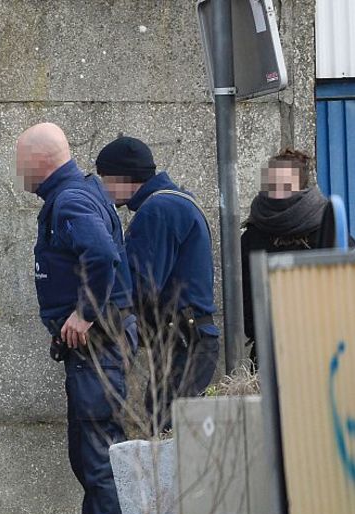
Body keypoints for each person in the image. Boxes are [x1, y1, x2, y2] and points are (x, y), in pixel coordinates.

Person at [16, 122, 136, 514]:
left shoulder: (71, 201)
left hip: (99, 350)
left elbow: (102, 255)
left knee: (100, 459)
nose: (19, 170)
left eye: (22, 160)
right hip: (96, 352)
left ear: (41, 160)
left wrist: (85, 314)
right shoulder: (77, 195)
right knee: (92, 459)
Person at [95, 136, 219, 431]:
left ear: (126, 178)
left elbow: (141, 284)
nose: (103, 188)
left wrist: (103, 317)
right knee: (169, 423)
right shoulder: (175, 201)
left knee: (168, 427)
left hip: (184, 340)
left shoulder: (158, 210)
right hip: (189, 338)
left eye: (105, 178)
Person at [241, 148, 352, 362]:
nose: (278, 194)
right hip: (270, 350)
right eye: (273, 186)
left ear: (301, 187)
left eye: (286, 187)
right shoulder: (253, 234)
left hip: (323, 346)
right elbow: (247, 301)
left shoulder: (326, 226)